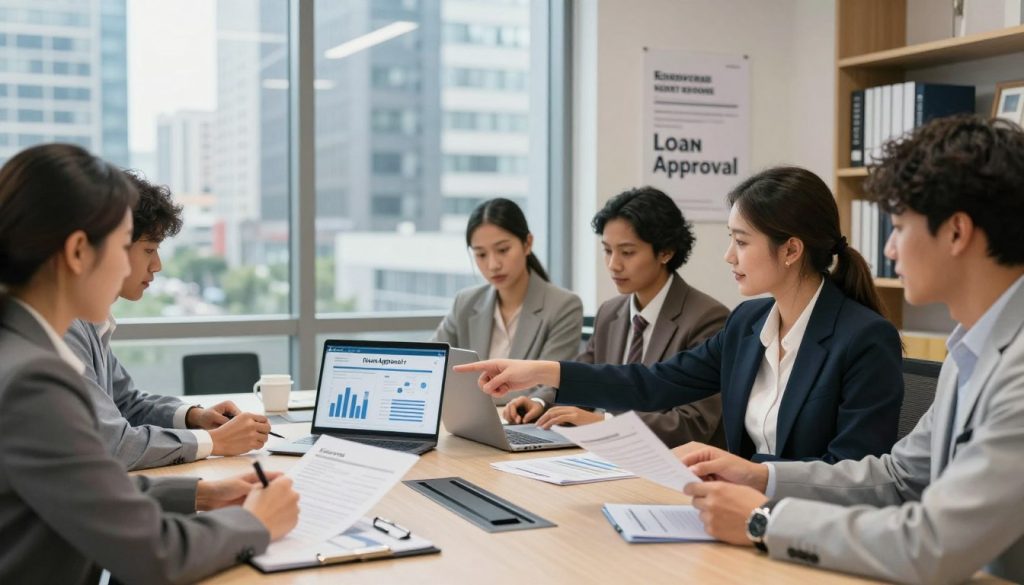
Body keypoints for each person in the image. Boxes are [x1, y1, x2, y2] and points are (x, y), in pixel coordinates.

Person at [674, 115, 1024, 584]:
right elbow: (898, 478)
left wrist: (764, 521)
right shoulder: (970, 350)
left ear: (957, 233)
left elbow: (932, 544)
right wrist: (761, 478)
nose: (890, 249)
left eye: (899, 227)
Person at [457, 166, 904, 463]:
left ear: (791, 250)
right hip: (735, 510)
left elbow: (850, 471)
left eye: (741, 242)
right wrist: (543, 373)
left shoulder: (864, 339)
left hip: (803, 532)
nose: (728, 256)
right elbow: (655, 383)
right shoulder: (748, 324)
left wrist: (745, 474)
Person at [0, 144, 299, 584]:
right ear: (79, 252)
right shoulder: (34, 381)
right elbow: (154, 555)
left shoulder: (22, 348)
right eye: (126, 245)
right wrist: (257, 523)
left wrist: (201, 494)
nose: (142, 265)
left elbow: (79, 489)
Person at [64, 171, 271, 471]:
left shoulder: (89, 320)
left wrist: (194, 417)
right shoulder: (64, 328)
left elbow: (126, 403)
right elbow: (114, 444)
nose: (157, 265)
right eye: (148, 249)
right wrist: (214, 442)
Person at [502, 187, 729, 448]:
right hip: (607, 458)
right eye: (608, 250)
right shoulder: (611, 312)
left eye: (627, 252)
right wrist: (539, 402)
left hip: (673, 466)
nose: (613, 265)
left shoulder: (708, 318)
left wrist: (604, 423)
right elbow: (587, 376)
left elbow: (693, 422)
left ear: (666, 252)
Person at [432, 197, 583, 405]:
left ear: (527, 243)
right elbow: (433, 366)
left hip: (523, 423)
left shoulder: (563, 306)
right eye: (481, 254)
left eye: (503, 250)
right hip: (470, 422)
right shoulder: (465, 303)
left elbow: (552, 383)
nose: (493, 264)